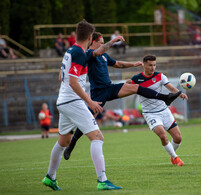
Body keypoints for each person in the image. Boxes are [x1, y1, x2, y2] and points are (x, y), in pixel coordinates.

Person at [63, 32, 182, 160]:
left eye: (104, 42)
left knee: (136, 88)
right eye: (101, 42)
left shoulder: (104, 55)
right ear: (93, 42)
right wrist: (113, 41)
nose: (103, 45)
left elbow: (118, 64)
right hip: (99, 93)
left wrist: (133, 64)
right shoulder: (89, 54)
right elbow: (98, 52)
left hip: (110, 88)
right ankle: (72, 144)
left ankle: (165, 98)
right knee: (88, 119)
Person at [42, 20, 122, 191]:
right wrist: (89, 101)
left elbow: (61, 77)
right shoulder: (79, 53)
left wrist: (112, 42)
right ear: (89, 37)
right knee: (97, 137)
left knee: (64, 141)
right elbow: (72, 82)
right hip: (73, 101)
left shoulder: (72, 51)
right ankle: (102, 180)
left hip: (62, 101)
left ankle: (50, 177)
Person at [127, 54, 188, 166]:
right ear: (144, 65)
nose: (153, 67)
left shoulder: (160, 76)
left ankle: (172, 156)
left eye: (154, 65)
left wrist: (179, 94)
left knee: (178, 138)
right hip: (150, 114)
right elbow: (127, 87)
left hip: (164, 111)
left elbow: (170, 87)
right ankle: (176, 158)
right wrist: (126, 84)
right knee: (163, 135)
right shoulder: (136, 79)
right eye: (150, 65)